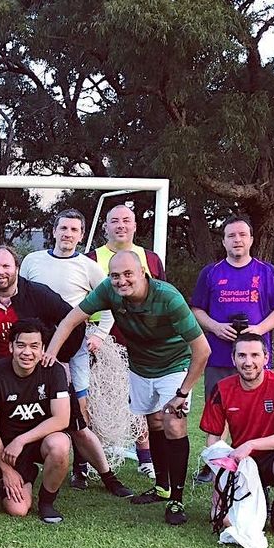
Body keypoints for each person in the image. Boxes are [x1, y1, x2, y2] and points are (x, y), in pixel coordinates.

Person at [45, 250, 211, 526]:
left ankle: (177, 499)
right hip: (140, 366)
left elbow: (202, 350)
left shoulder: (168, 297)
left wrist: (183, 392)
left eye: (127, 274)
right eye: (115, 275)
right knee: (154, 422)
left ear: (143, 273)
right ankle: (162, 487)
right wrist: (51, 353)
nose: (121, 281)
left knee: (173, 424)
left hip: (175, 365)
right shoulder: (109, 291)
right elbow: (71, 319)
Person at [19, 209, 133, 497]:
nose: (68, 234)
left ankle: (86, 467)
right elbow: (20, 298)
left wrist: (99, 334)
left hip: (74, 349)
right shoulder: (33, 261)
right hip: (35, 349)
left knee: (79, 409)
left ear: (81, 236)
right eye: (63, 228)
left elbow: (110, 303)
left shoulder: (88, 266)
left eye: (74, 230)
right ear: (54, 231)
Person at [190, 213, 274, 483]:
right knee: (217, 409)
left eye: (242, 235)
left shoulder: (266, 272)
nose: (237, 240)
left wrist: (258, 329)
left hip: (254, 357)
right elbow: (196, 308)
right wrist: (214, 326)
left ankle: (254, 457)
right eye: (231, 235)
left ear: (251, 240)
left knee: (257, 410)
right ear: (223, 241)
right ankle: (214, 461)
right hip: (219, 354)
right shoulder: (210, 272)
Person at [199, 332, 274, 538]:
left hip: (273, 458)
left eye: (255, 355)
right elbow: (214, 440)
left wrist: (251, 444)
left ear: (266, 358)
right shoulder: (221, 389)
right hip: (240, 463)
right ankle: (253, 494)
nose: (248, 362)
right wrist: (219, 484)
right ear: (233, 359)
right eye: (241, 356)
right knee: (218, 517)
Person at [87, 204, 165, 478]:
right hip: (103, 341)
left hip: (143, 342)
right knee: (96, 402)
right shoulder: (92, 257)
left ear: (134, 226)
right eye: (114, 221)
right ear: (105, 226)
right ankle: (88, 461)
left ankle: (147, 456)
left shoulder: (151, 259)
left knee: (143, 399)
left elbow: (161, 297)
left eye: (126, 220)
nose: (121, 225)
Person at [0, 319, 73, 523]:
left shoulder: (54, 370)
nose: (27, 352)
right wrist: (6, 470)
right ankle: (26, 476)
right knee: (18, 509)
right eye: (21, 345)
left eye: (34, 346)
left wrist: (21, 440)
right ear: (11, 346)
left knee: (60, 445)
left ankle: (47, 502)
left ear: (43, 349)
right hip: (9, 451)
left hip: (39, 441)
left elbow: (62, 418)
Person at [0, 244, 83, 364]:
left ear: (17, 268)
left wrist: (58, 354)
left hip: (38, 372)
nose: (0, 272)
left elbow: (75, 321)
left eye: (6, 266)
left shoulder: (39, 294)